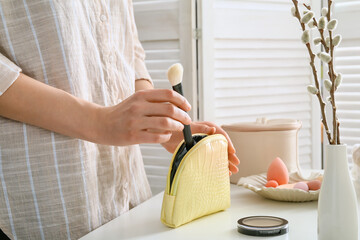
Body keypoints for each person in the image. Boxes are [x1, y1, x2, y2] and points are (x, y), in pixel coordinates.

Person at [0, 1, 239, 239]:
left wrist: (157, 121)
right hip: (47, 208)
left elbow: (128, 49)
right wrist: (98, 122)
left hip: (130, 202)